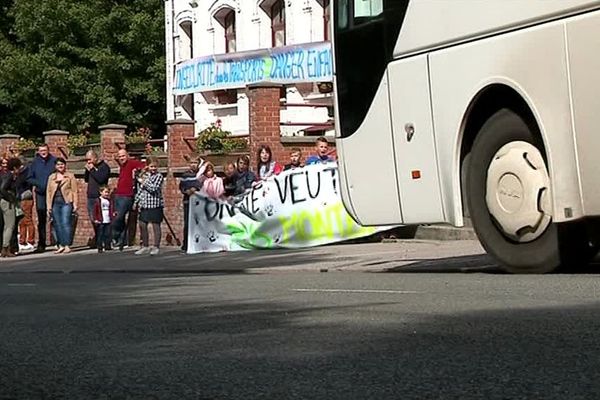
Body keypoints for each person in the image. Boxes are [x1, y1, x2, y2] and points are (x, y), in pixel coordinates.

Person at [113, 149, 145, 251]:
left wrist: (138, 172)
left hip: (127, 195)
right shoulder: (122, 165)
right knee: (118, 217)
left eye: (123, 156)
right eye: (120, 156)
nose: (121, 158)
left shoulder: (132, 163)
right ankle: (121, 240)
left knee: (119, 217)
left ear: (127, 155)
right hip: (118, 194)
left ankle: (117, 237)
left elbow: (144, 165)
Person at [29, 144, 57, 253]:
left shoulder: (54, 160)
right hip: (40, 193)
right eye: (41, 151)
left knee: (55, 217)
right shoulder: (34, 163)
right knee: (41, 219)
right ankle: (41, 244)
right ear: (38, 151)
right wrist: (39, 184)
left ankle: (57, 242)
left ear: (48, 150)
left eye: (45, 150)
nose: (43, 152)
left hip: (53, 193)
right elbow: (29, 178)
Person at [46, 158, 77, 254]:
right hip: (55, 202)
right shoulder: (51, 177)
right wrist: (49, 206)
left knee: (65, 222)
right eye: (58, 164)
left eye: (62, 164)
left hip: (66, 202)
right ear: (55, 166)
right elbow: (49, 192)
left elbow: (74, 191)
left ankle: (67, 245)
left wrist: (75, 204)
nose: (60, 166)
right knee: (57, 224)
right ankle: (61, 245)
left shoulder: (70, 176)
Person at [134, 157, 164, 256]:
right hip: (144, 204)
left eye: (155, 166)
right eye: (151, 166)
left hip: (155, 204)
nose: (153, 168)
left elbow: (153, 188)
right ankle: (145, 246)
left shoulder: (159, 176)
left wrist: (143, 181)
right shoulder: (145, 175)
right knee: (142, 224)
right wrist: (136, 201)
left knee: (156, 225)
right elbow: (141, 190)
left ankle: (156, 246)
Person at [84, 150, 110, 248]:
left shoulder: (104, 167)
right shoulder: (90, 167)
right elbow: (86, 179)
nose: (88, 162)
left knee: (102, 220)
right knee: (93, 219)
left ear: (95, 158)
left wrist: (92, 170)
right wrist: (88, 170)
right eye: (87, 160)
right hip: (90, 197)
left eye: (90, 159)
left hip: (100, 197)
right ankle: (99, 238)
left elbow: (101, 179)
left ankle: (104, 240)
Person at [179, 154, 203, 252]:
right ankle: (186, 244)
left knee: (200, 223)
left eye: (195, 163)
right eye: (191, 163)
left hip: (199, 202)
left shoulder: (200, 174)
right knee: (187, 223)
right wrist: (186, 190)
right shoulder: (185, 175)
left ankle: (199, 243)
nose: (193, 165)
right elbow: (181, 186)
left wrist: (196, 188)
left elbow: (202, 185)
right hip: (188, 201)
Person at [0, 158, 22, 257]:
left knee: (7, 225)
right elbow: (3, 189)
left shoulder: (8, 175)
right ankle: (5, 248)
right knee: (9, 226)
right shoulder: (9, 176)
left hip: (5, 201)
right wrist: (10, 199)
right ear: (14, 167)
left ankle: (5, 248)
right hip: (7, 202)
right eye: (19, 167)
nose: (20, 168)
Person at [15, 157, 35, 251]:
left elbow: (20, 184)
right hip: (21, 198)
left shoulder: (25, 173)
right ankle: (22, 241)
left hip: (26, 198)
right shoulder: (22, 172)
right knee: (21, 221)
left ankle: (30, 240)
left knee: (27, 219)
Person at [92, 186, 114, 253]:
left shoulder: (109, 201)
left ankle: (108, 246)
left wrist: (112, 214)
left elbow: (111, 209)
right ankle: (100, 247)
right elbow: (95, 211)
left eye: (108, 192)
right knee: (100, 234)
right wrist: (95, 219)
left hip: (108, 219)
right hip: (101, 219)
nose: (107, 194)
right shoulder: (98, 201)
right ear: (101, 192)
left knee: (108, 233)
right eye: (105, 192)